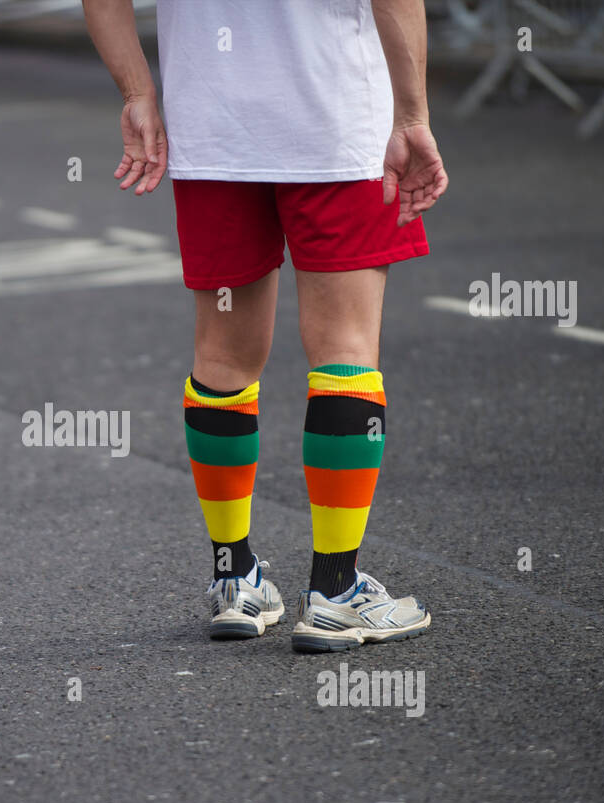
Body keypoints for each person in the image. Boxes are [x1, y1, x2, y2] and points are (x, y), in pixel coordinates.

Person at [82, 0, 449, 651]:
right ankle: (335, 592)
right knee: (345, 351)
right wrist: (413, 114)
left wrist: (138, 91)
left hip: (212, 127)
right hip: (333, 117)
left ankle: (236, 578)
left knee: (222, 356)